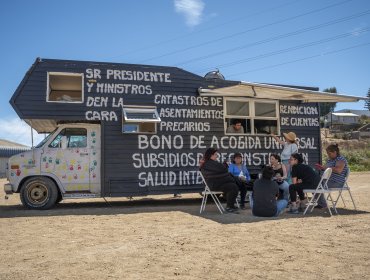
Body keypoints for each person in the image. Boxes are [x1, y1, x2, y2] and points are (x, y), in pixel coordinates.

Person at [200, 148, 239, 213]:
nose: (217, 156)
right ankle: (229, 206)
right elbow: (222, 169)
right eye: (215, 154)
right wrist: (225, 165)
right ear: (210, 155)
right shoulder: (208, 164)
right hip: (213, 184)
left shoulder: (210, 163)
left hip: (218, 182)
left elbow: (221, 170)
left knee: (233, 185)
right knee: (233, 186)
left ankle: (230, 205)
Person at [314, 143, 349, 208]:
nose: (328, 155)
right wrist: (322, 168)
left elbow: (338, 170)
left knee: (315, 185)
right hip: (328, 180)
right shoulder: (330, 160)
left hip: (337, 182)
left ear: (335, 152)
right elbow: (327, 169)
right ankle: (321, 203)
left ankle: (322, 204)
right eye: (327, 154)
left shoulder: (340, 159)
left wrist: (327, 168)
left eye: (329, 154)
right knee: (313, 183)